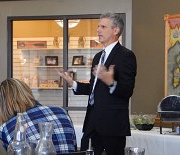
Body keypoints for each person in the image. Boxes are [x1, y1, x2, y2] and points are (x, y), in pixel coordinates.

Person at [57, 12, 137, 155]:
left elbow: (127, 91)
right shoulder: (98, 57)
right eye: (98, 26)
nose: (98, 30)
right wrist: (73, 83)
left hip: (112, 126)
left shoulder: (126, 56)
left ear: (115, 30)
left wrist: (111, 82)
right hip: (91, 123)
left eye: (103, 26)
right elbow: (95, 89)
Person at [0, 78, 77, 154]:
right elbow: (74, 148)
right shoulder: (61, 112)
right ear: (28, 92)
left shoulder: (6, 128)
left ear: (3, 106)